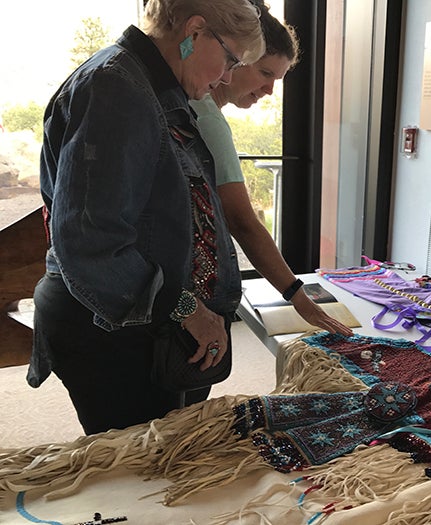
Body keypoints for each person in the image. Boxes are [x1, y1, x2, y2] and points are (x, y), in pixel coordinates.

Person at [29, 0, 266, 435]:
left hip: (145, 329)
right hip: (113, 334)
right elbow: (90, 240)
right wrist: (186, 307)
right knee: (141, 482)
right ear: (195, 33)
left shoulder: (148, 85)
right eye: (231, 59)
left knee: (163, 465)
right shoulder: (115, 87)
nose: (228, 77)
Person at [190, 2, 354, 336]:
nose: (269, 90)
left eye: (277, 79)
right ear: (237, 57)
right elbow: (242, 220)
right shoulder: (204, 116)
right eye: (265, 73)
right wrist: (297, 294)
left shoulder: (197, 108)